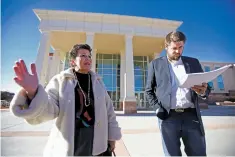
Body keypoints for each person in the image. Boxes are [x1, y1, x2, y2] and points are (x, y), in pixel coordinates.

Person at [10, 44, 122, 156]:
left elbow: (109, 111)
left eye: (89, 56)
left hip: (97, 141)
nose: (88, 58)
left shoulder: (98, 82)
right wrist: (33, 93)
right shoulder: (60, 80)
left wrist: (112, 137)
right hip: (72, 142)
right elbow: (50, 109)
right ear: (72, 61)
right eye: (83, 55)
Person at [145, 31, 211, 156]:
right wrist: (157, 108)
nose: (178, 51)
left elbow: (207, 88)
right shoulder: (155, 64)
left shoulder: (193, 63)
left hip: (191, 117)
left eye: (181, 47)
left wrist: (203, 92)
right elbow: (149, 90)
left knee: (199, 154)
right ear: (166, 47)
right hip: (168, 117)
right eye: (174, 48)